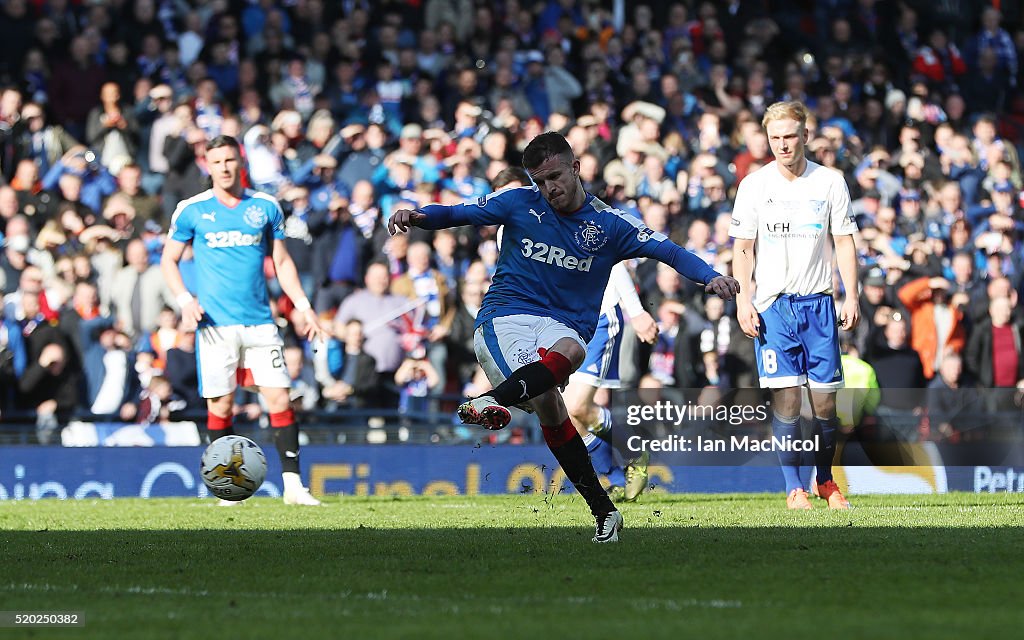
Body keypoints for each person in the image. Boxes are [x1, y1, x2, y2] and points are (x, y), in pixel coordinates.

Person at [388, 131, 739, 543]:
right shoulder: (520, 202)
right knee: (549, 402)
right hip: (505, 318)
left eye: (554, 176)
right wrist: (417, 215)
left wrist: (711, 276)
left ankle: (598, 508)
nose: (548, 188)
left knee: (567, 366)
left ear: (575, 168)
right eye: (540, 180)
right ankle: (508, 407)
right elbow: (458, 213)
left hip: (561, 328)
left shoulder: (610, 224)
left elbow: (671, 252)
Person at [160, 135, 327, 506]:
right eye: (216, 161)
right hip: (214, 326)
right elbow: (168, 259)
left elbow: (282, 262)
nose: (223, 167)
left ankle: (294, 487)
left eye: (229, 160)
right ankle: (228, 490)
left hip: (260, 323)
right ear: (207, 165)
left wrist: (302, 304)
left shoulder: (265, 206)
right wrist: (185, 300)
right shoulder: (192, 209)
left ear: (241, 162)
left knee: (280, 398)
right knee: (220, 407)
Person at [729, 101, 860, 510]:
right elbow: (743, 248)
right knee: (786, 400)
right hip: (773, 307)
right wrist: (743, 301)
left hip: (818, 304)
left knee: (824, 404)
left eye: (790, 136)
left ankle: (825, 480)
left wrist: (851, 294)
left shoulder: (830, 182)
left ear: (805, 135)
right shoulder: (754, 184)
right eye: (775, 138)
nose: (783, 145)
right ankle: (793, 487)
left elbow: (844, 241)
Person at [564, 260, 658, 503]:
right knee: (571, 414)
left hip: (599, 316)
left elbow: (613, 261)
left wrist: (636, 312)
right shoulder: (511, 231)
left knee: (577, 406)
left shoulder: (581, 222)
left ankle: (634, 452)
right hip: (564, 321)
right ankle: (616, 479)